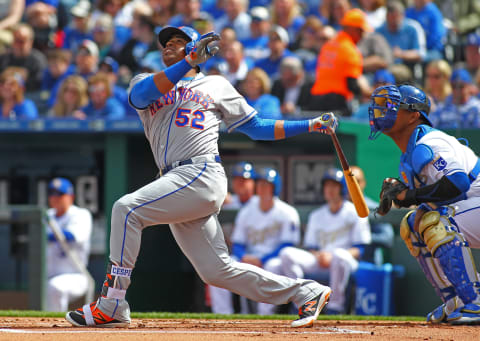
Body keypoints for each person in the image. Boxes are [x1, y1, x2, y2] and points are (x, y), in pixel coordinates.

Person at [65, 25, 337, 328]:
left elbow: (256, 125)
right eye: (166, 43)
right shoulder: (145, 80)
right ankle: (306, 292)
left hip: (201, 172)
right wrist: (187, 59)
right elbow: (141, 96)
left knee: (126, 209)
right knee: (217, 271)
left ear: (196, 49)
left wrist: (309, 124)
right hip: (174, 179)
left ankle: (113, 301)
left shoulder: (216, 85)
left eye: (178, 42)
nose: (169, 47)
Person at [367, 83, 480, 324]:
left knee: (436, 221)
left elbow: (458, 183)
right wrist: (404, 195)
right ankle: (456, 301)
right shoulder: (409, 153)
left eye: (391, 106)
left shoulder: (430, 141)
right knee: (413, 224)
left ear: (413, 116)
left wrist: (409, 196)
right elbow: (442, 198)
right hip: (472, 207)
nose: (382, 111)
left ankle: (475, 301)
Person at [278, 168, 372, 314]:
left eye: (334, 186)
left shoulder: (355, 212)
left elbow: (360, 248)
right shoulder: (317, 215)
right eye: (327, 186)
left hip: (345, 261)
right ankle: (302, 302)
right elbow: (311, 247)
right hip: (321, 260)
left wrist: (332, 256)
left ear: (342, 188)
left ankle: (335, 307)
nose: (330, 190)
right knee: (287, 254)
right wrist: (319, 256)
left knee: (339, 256)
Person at [212, 167, 301, 315]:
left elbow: (287, 245)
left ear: (275, 188)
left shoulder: (287, 212)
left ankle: (264, 315)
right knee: (219, 268)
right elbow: (239, 242)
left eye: (266, 185)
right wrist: (243, 257)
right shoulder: (247, 211)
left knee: (272, 266)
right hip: (249, 258)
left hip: (273, 259)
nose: (262, 188)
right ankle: (222, 314)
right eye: (260, 184)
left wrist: (262, 259)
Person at [310, 8, 372, 116]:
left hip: (316, 100)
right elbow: (352, 85)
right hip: (336, 103)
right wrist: (369, 92)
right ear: (352, 29)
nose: (363, 35)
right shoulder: (350, 50)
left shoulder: (328, 45)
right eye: (361, 30)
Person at [46, 177, 93, 312]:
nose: (55, 198)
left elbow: (73, 236)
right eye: (52, 194)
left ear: (71, 196)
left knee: (55, 287)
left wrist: (47, 236)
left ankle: (56, 325)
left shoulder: (80, 214)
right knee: (47, 287)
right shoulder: (47, 215)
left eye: (60, 194)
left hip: (76, 275)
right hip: (48, 275)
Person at [0, 23, 47, 92]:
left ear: (31, 41)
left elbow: (38, 83)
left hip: (28, 95)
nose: (18, 44)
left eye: (22, 41)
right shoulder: (4, 58)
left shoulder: (38, 60)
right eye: (16, 40)